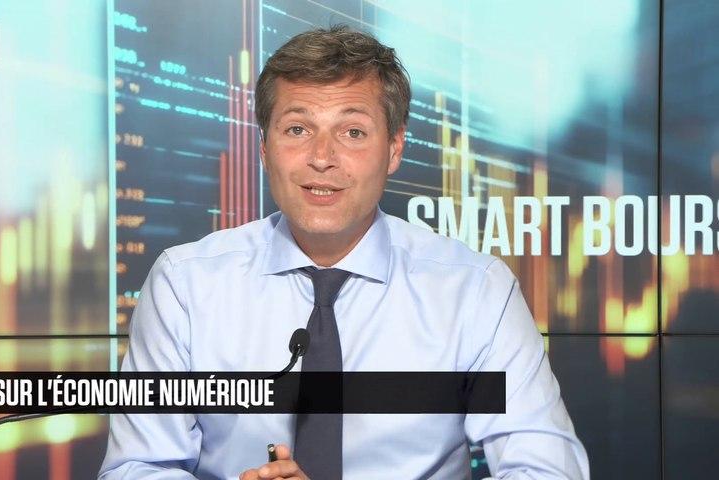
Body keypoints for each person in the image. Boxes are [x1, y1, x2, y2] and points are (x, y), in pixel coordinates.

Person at [99, 25, 589, 480]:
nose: (322, 157)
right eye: (297, 129)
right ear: (264, 148)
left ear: (394, 149)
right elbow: (135, 467)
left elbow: (548, 470)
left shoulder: (474, 290)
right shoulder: (186, 284)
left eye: (352, 132)